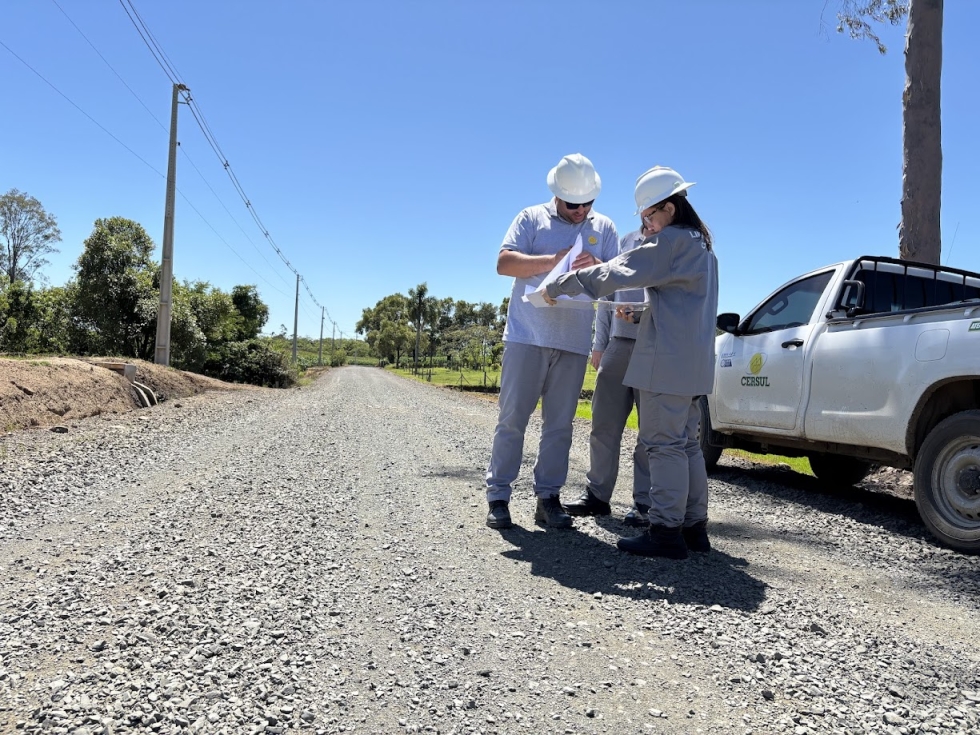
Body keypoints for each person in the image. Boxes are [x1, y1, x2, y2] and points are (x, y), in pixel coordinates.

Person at [544, 166, 718, 559]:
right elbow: (682, 308)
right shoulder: (702, 245)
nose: (647, 226)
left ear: (669, 210)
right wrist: (639, 317)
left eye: (649, 217)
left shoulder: (670, 242)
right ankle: (694, 528)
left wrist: (560, 284)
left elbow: (614, 273)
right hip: (693, 364)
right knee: (687, 444)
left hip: (667, 364)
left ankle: (665, 532)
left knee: (663, 445)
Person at [486, 153, 620, 530]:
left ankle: (548, 498)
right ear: (557, 195)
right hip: (527, 336)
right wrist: (552, 260)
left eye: (587, 204)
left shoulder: (604, 227)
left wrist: (597, 268)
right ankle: (498, 496)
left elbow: (617, 281)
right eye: (573, 204)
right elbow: (504, 263)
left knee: (560, 425)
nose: (581, 211)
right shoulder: (530, 217)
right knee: (512, 420)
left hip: (574, 341)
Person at [562, 224, 652, 526]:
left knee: (649, 432)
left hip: (653, 347)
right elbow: (607, 293)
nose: (647, 214)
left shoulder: (670, 243)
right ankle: (598, 495)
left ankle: (645, 503)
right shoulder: (625, 241)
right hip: (618, 344)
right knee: (603, 423)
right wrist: (599, 345)